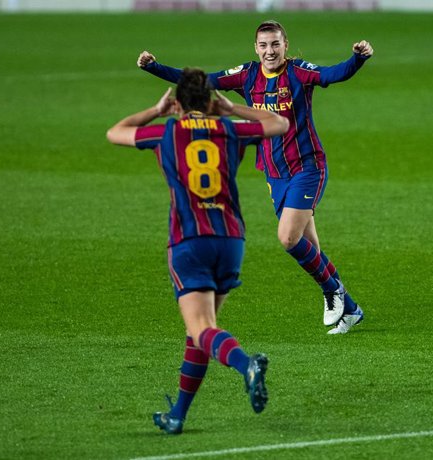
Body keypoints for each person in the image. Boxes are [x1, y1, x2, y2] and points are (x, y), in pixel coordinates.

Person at [136, 20, 374, 335]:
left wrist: (358, 58)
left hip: (307, 166)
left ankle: (335, 294)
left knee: (288, 237)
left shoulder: (299, 72)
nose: (269, 51)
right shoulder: (247, 75)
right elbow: (201, 82)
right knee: (309, 248)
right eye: (263, 45)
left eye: (275, 44)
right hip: (274, 172)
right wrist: (155, 68)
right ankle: (350, 309)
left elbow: (332, 73)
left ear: (285, 45)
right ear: (256, 48)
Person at [106, 68, 289, 434]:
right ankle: (178, 415)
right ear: (210, 101)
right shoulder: (230, 129)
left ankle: (246, 365)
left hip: (190, 241)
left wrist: (157, 111)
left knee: (202, 327)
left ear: (177, 103)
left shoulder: (166, 131)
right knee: (201, 332)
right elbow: (279, 123)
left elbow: (115, 132)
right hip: (230, 239)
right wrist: (232, 107)